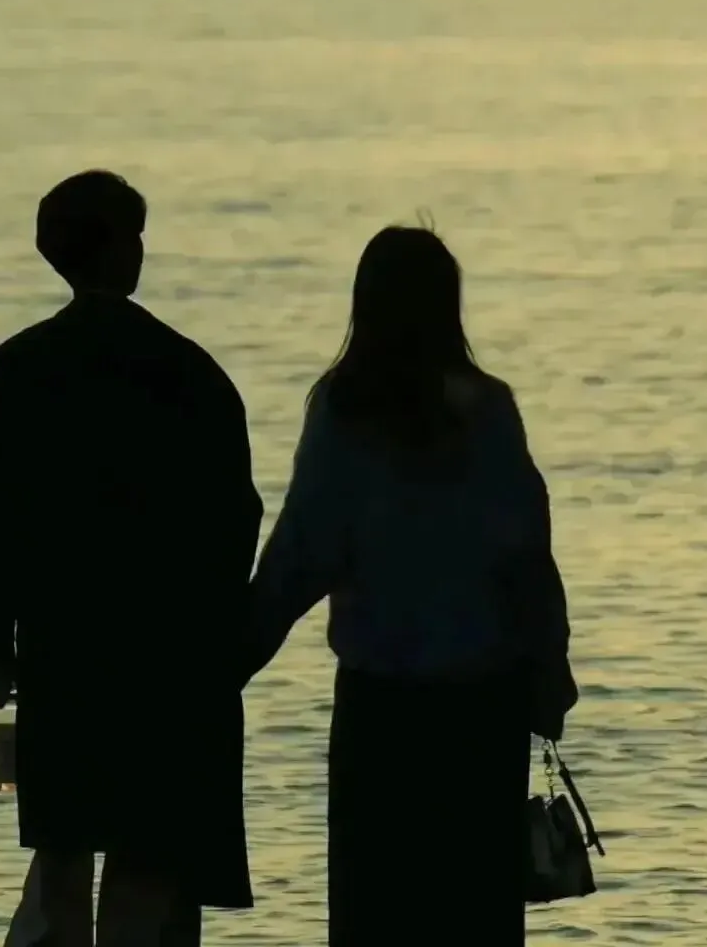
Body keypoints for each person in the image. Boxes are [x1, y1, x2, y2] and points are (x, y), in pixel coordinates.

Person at [0, 170, 263, 947]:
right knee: (149, 871)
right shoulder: (188, 371)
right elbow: (234, 518)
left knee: (61, 860)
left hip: (63, 658)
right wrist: (220, 636)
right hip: (171, 664)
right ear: (122, 249)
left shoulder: (23, 366)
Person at [243, 226, 576, 946]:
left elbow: (301, 555)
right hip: (483, 709)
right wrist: (552, 669)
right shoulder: (489, 409)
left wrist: (229, 656)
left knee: (376, 912)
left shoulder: (343, 411)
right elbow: (527, 556)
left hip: (382, 713)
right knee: (476, 913)